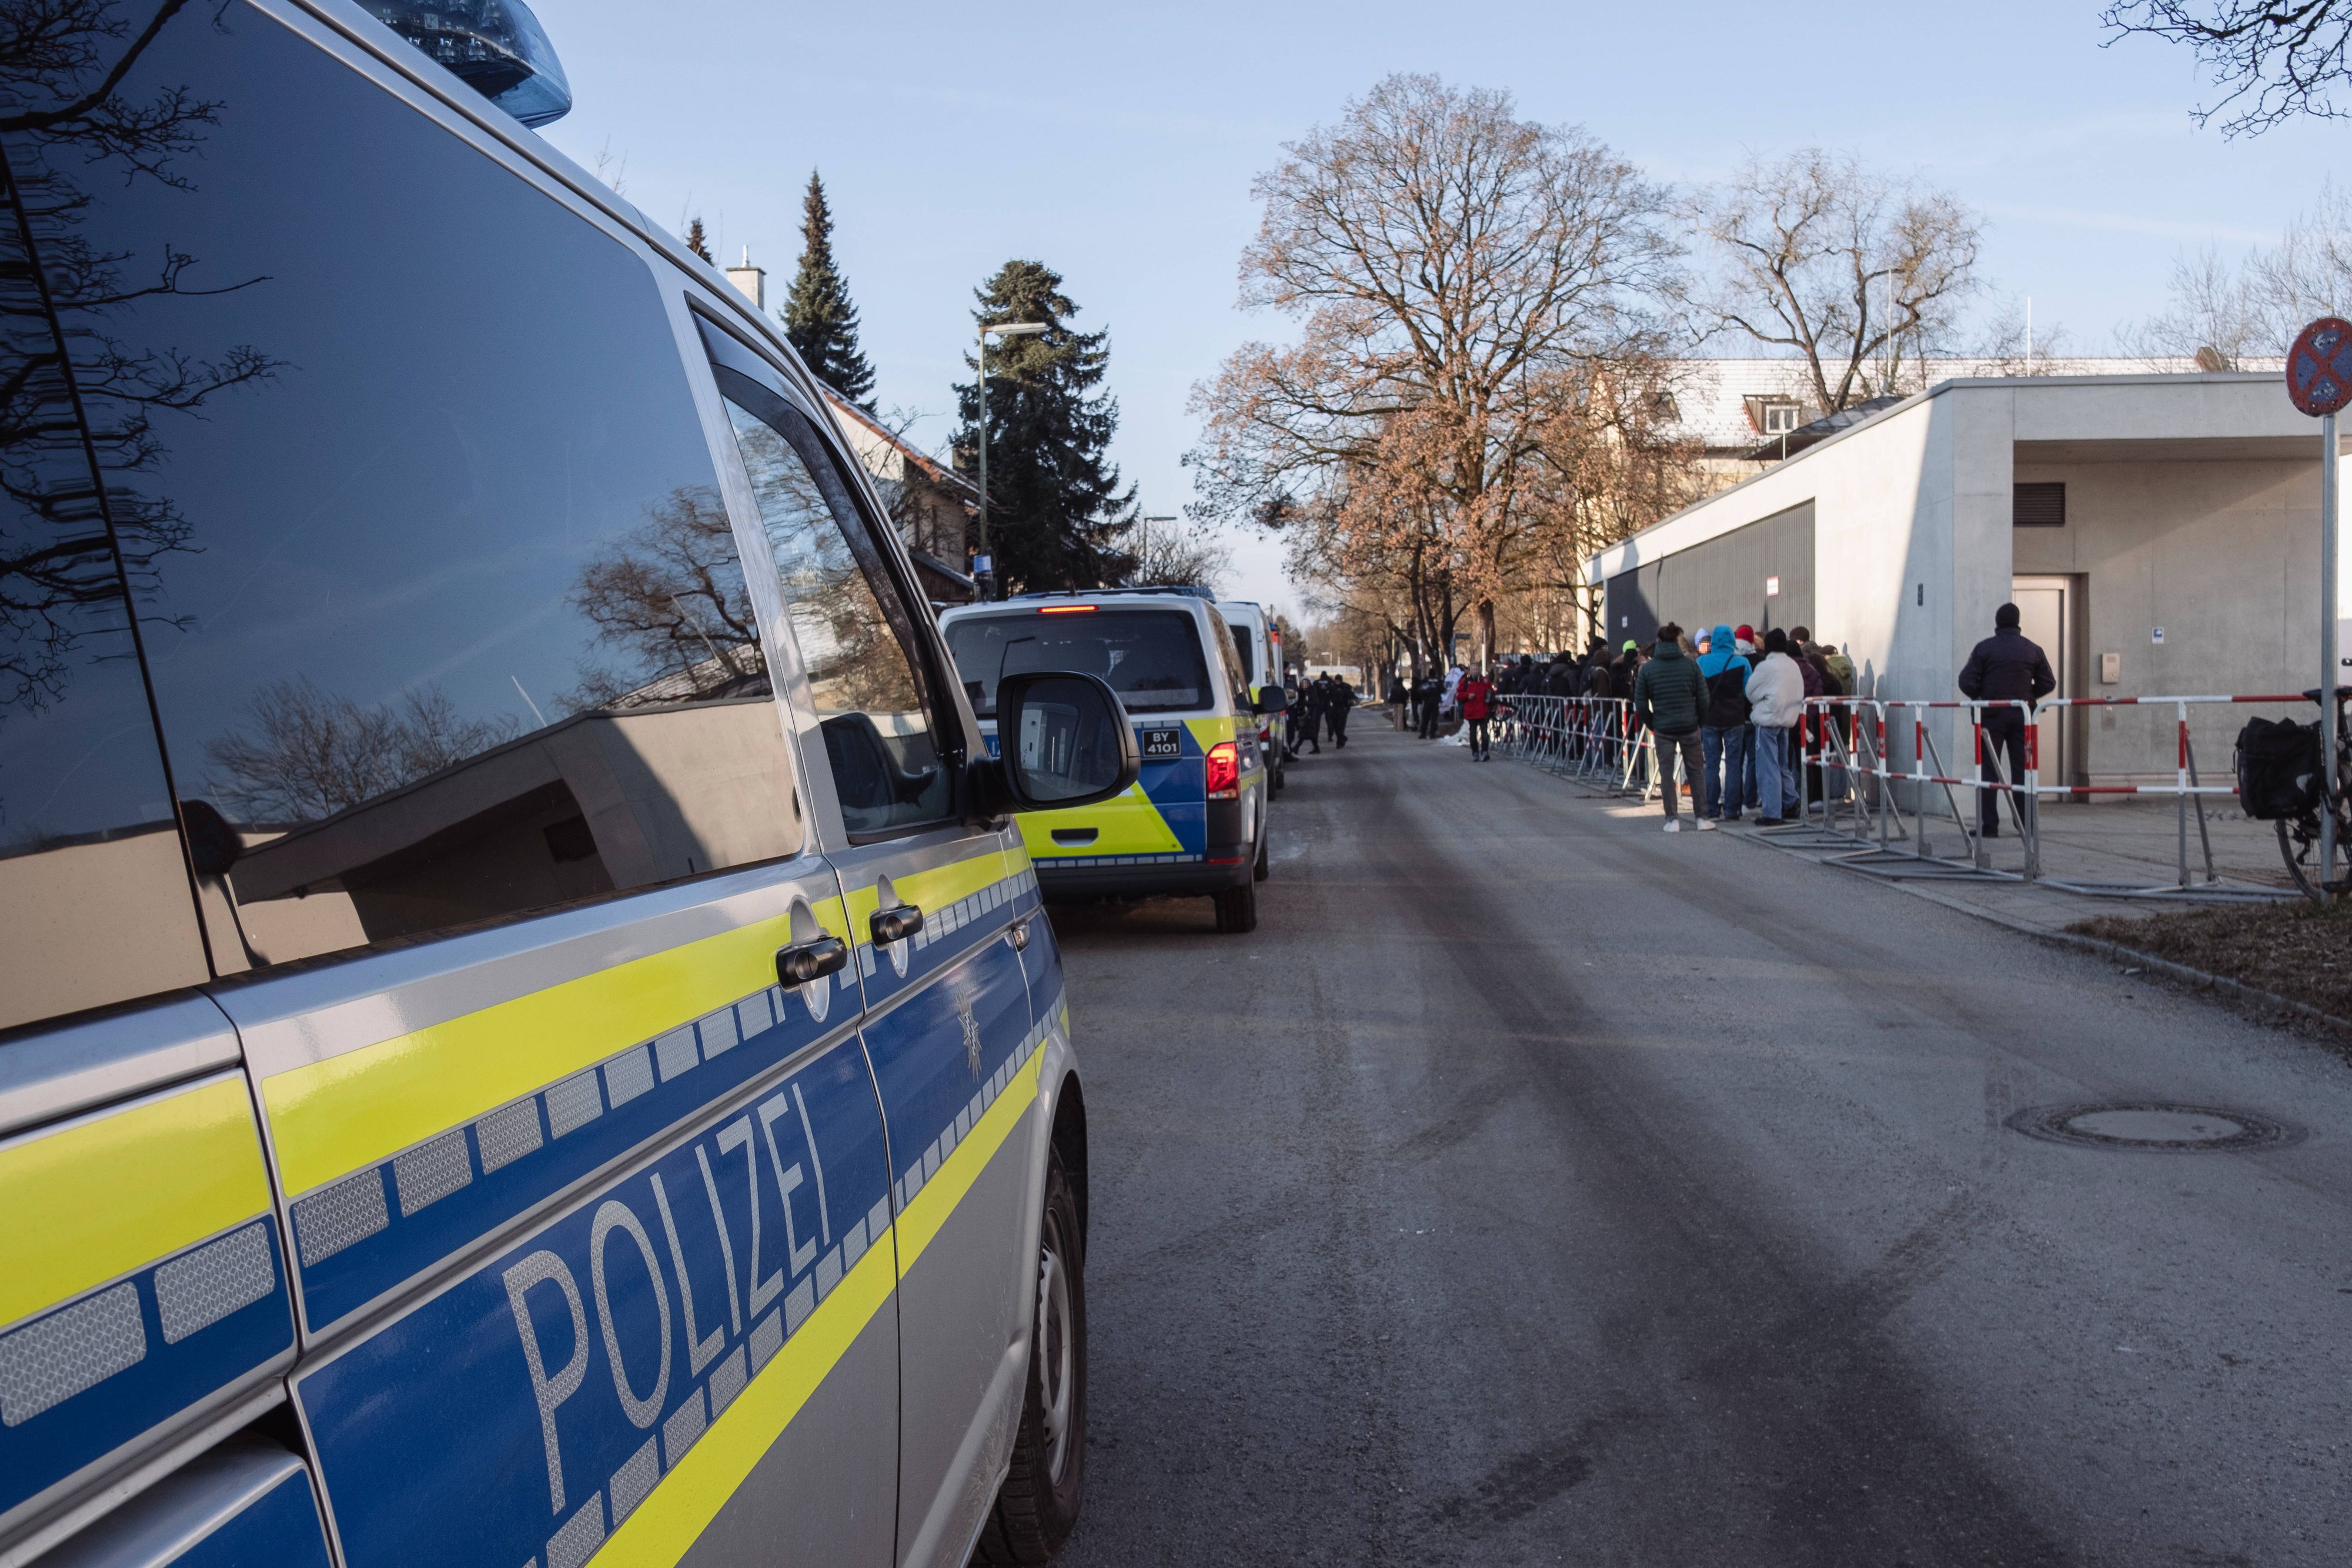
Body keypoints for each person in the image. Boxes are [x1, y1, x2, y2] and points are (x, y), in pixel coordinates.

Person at [1957, 603, 2056, 837]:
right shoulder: (2033, 649)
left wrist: (1982, 696)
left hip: (1990, 716)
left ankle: (1989, 826)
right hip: (2022, 716)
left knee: (1989, 771)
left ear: (1997, 622)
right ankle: (2026, 825)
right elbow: (2049, 682)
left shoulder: (1985, 649)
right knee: (2023, 771)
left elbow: (1966, 681)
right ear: (2017, 622)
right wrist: (2029, 696)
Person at [1634, 624, 1708, 830]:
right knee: (1696, 772)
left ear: (1658, 642)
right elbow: (1703, 697)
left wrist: (1652, 723)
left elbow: (1640, 702)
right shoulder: (1692, 665)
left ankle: (1672, 819)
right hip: (1689, 725)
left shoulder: (1648, 669)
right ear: (1677, 641)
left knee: (1666, 773)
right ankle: (1702, 818)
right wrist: (1698, 721)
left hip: (1663, 727)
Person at [1745, 628, 1806, 825]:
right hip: (1788, 720)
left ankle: (1772, 812)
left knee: (1767, 767)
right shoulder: (1793, 666)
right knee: (1782, 765)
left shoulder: (1766, 667)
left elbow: (1750, 692)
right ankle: (1790, 802)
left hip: (1768, 720)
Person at [1696, 621, 1752, 823]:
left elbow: (1697, 691)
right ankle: (1732, 810)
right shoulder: (1742, 663)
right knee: (1734, 765)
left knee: (1711, 764)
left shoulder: (1702, 663)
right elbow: (1749, 692)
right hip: (1735, 719)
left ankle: (1711, 808)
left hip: (1710, 719)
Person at [1458, 664, 1496, 760]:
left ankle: (1485, 751)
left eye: (1477, 669)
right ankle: (1475, 752)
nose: (1475, 671)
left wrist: (1492, 705)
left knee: (1485, 733)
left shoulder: (1485, 681)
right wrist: (1467, 695)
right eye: (1473, 670)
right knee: (1473, 734)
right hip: (1472, 712)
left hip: (1484, 711)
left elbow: (1491, 694)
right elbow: (1459, 695)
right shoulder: (1465, 681)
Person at [1292, 672, 1322, 755]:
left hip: (1310, 715)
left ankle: (1297, 748)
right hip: (1306, 714)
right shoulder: (1303, 692)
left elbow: (1315, 702)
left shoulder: (1312, 692)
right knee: (1308, 733)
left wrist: (1306, 703)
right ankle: (1316, 748)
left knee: (1305, 733)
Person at [1325, 675, 1355, 747]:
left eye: (1339, 681)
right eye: (1336, 681)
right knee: (1335, 726)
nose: (1337, 682)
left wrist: (1348, 706)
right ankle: (1343, 738)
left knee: (1341, 726)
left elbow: (1352, 696)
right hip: (1334, 709)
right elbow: (1328, 697)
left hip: (1343, 709)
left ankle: (1340, 743)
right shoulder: (1332, 688)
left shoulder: (1345, 687)